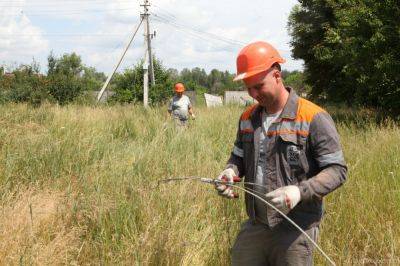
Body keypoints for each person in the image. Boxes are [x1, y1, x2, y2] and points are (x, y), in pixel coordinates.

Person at [215, 41, 347, 265]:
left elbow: (337, 170)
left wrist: (299, 191)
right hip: (256, 224)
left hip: (296, 229)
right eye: (248, 88)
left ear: (277, 75)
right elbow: (238, 157)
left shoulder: (313, 117)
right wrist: (230, 171)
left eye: (258, 86)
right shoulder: (247, 118)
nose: (253, 94)